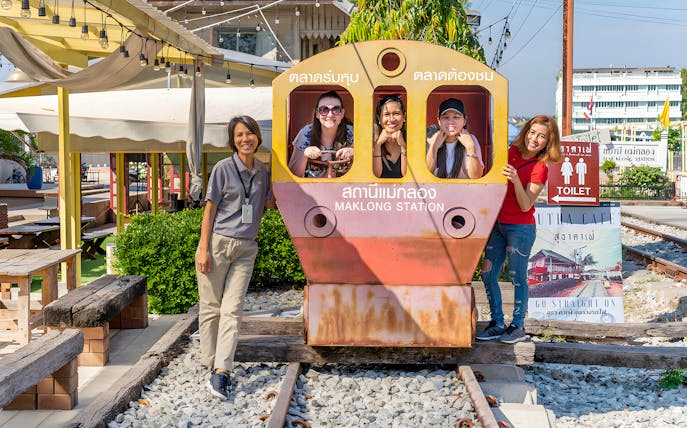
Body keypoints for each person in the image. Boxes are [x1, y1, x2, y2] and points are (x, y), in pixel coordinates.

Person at [196, 115, 275, 399]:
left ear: (258, 138)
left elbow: (269, 204)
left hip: (246, 248)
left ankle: (222, 371)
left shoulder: (263, 170)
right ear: (233, 139)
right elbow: (209, 210)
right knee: (211, 308)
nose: (246, 139)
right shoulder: (222, 168)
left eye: (250, 133)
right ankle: (210, 362)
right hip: (217, 245)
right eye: (240, 135)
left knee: (233, 309)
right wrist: (203, 249)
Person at [476, 115, 561, 344]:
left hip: (520, 227)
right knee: (487, 273)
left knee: (517, 277)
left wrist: (515, 180)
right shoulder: (511, 150)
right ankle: (497, 323)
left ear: (548, 142)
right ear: (526, 131)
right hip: (499, 223)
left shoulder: (540, 168)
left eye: (541, 136)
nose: (535, 139)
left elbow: (526, 205)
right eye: (532, 132)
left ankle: (517, 326)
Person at [288, 90, 354, 178]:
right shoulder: (306, 133)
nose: (330, 115)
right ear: (317, 114)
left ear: (342, 114)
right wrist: (305, 154)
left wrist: (354, 152)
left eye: (336, 109)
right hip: (313, 188)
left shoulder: (352, 132)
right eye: (324, 110)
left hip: (345, 189)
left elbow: (364, 168)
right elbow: (293, 175)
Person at [426, 98, 484, 179]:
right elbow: (424, 176)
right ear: (439, 121)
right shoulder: (430, 139)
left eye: (456, 117)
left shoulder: (471, 139)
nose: (450, 122)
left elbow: (476, 176)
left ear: (464, 121)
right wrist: (434, 147)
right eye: (446, 117)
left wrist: (470, 148)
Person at [373, 94, 407, 178]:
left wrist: (403, 146)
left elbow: (406, 176)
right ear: (379, 119)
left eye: (396, 113)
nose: (391, 119)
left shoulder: (413, 140)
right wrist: (377, 145)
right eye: (386, 115)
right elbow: (376, 175)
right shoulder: (370, 142)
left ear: (404, 117)